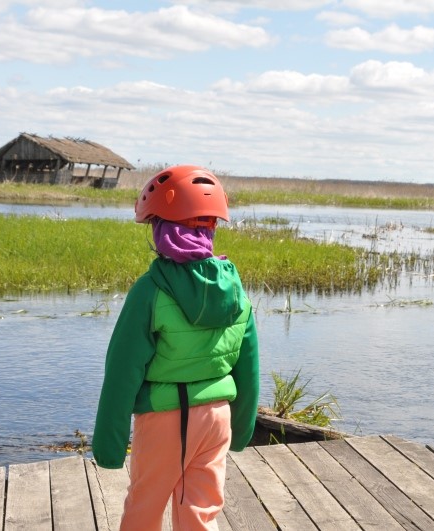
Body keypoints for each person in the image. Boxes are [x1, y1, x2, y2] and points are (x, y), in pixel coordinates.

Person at [92, 165, 260, 530]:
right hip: (217, 417)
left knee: (145, 510)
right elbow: (248, 365)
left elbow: (123, 370)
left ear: (163, 229)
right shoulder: (234, 288)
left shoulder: (151, 290)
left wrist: (109, 444)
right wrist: (243, 427)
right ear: (210, 227)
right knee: (201, 513)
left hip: (164, 418)